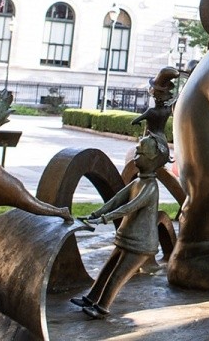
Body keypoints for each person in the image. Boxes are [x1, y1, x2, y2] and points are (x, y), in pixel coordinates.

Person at [71, 133, 170, 318]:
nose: (135, 157)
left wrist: (104, 219)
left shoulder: (150, 186)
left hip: (141, 244)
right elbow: (117, 199)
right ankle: (91, 298)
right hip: (127, 237)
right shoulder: (139, 181)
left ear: (154, 159)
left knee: (118, 275)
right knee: (107, 268)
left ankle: (101, 307)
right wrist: (97, 213)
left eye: (139, 154)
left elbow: (129, 207)